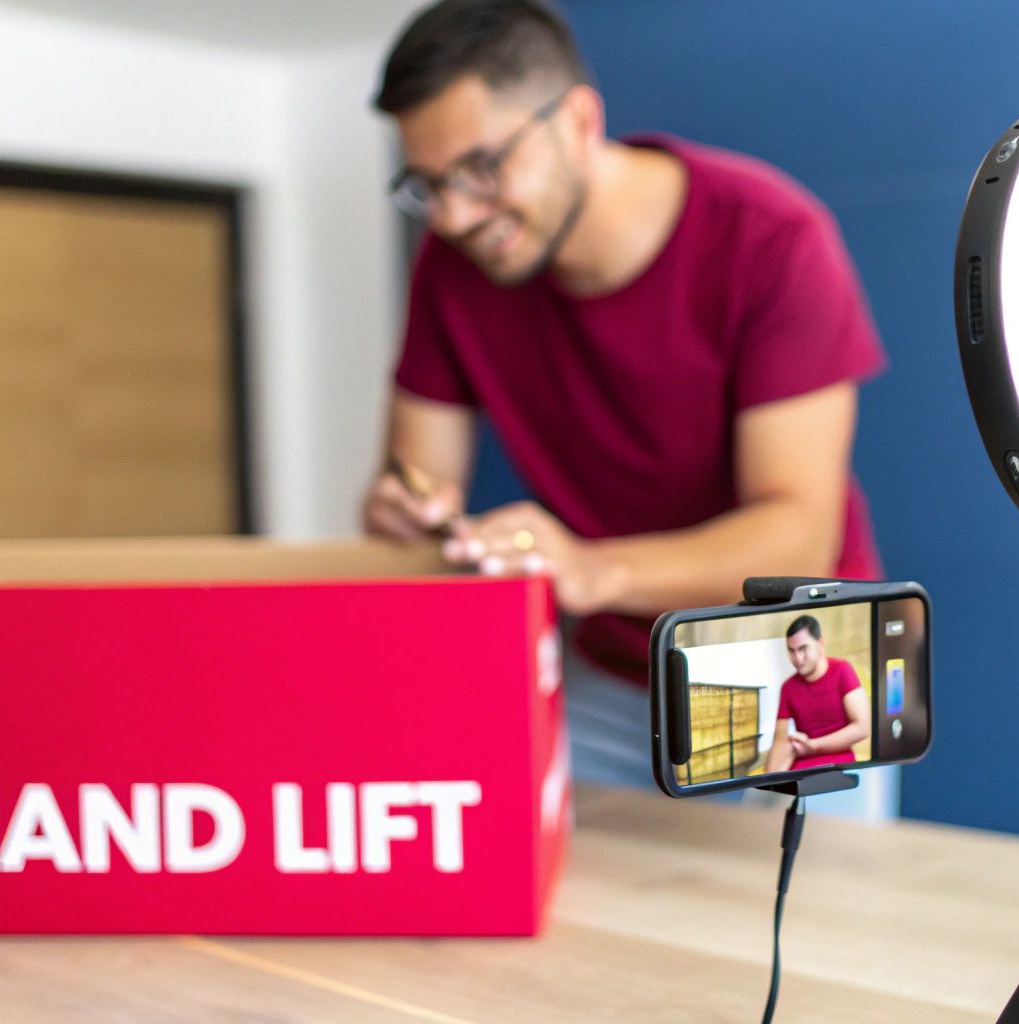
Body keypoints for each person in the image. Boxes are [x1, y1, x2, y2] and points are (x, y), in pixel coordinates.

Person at [362, 0, 885, 786]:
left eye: (482, 169)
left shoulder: (771, 238)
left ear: (577, 118)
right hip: (609, 676)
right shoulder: (450, 268)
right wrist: (405, 512)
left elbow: (796, 537)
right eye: (427, 185)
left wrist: (594, 571)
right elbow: (411, 499)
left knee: (808, 910)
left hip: (797, 667)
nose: (456, 215)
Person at [764, 615, 870, 773]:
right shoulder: (788, 687)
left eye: (803, 649)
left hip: (840, 766)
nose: (798, 658)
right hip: (802, 770)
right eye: (791, 651)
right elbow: (780, 740)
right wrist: (770, 776)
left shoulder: (842, 670)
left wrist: (814, 746)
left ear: (820, 643)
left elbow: (862, 728)